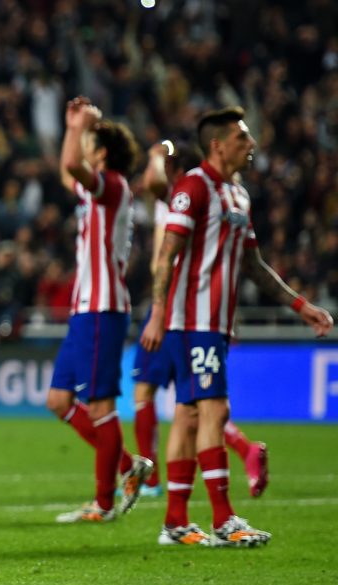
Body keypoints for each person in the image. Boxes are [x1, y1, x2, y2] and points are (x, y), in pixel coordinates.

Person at [140, 106, 333, 547]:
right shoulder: (194, 186)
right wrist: (156, 313)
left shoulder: (238, 196)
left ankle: (175, 522)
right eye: (244, 138)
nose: (252, 146)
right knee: (215, 410)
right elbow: (167, 253)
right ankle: (225, 519)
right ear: (218, 144)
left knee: (189, 417)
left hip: (216, 324)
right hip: (193, 321)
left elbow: (254, 264)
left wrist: (299, 305)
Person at [130, 140, 270, 499]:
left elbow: (152, 181)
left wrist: (155, 153)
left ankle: (152, 480)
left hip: (177, 310)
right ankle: (242, 452)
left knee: (161, 394)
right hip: (194, 310)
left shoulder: (184, 196)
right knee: (193, 403)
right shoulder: (195, 199)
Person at [46, 97, 154, 524]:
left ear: (102, 152)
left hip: (103, 308)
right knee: (58, 399)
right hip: (84, 311)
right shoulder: (97, 189)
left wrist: (76, 125)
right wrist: (76, 129)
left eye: (90, 142)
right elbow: (66, 170)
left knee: (100, 407)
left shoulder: (112, 186)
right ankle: (129, 465)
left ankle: (104, 504)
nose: (83, 148)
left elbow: (72, 166)